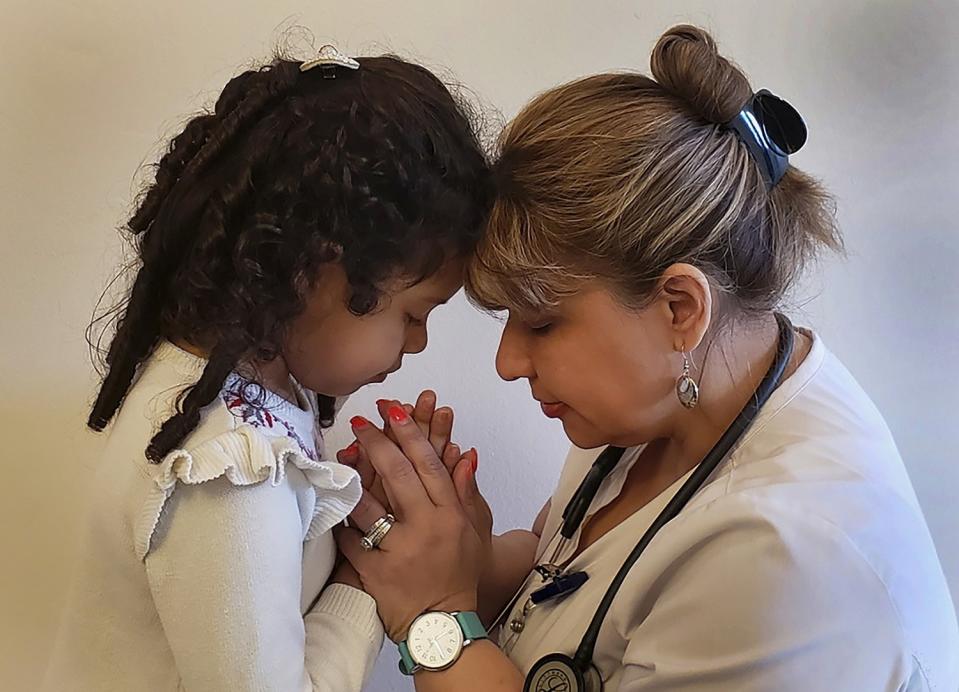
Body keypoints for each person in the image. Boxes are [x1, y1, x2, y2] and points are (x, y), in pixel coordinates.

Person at [336, 26, 959, 690]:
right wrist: (458, 552)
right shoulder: (674, 398)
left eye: (541, 323)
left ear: (679, 308)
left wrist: (435, 619)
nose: (508, 363)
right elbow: (571, 565)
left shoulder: (790, 559)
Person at [43, 46, 490, 692]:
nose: (418, 343)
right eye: (416, 313)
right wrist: (366, 583)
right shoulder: (228, 474)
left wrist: (352, 522)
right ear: (316, 270)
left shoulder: (230, 393)